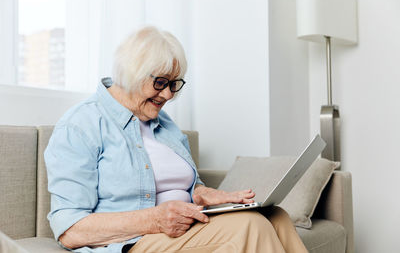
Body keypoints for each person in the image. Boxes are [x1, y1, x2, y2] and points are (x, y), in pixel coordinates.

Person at [45, 26, 308, 253]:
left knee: (276, 216)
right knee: (252, 226)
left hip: (183, 229)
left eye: (174, 84)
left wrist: (202, 194)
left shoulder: (164, 123)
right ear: (131, 73)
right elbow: (69, 228)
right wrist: (154, 220)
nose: (169, 95)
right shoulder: (81, 125)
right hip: (134, 241)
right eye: (161, 83)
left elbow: (181, 183)